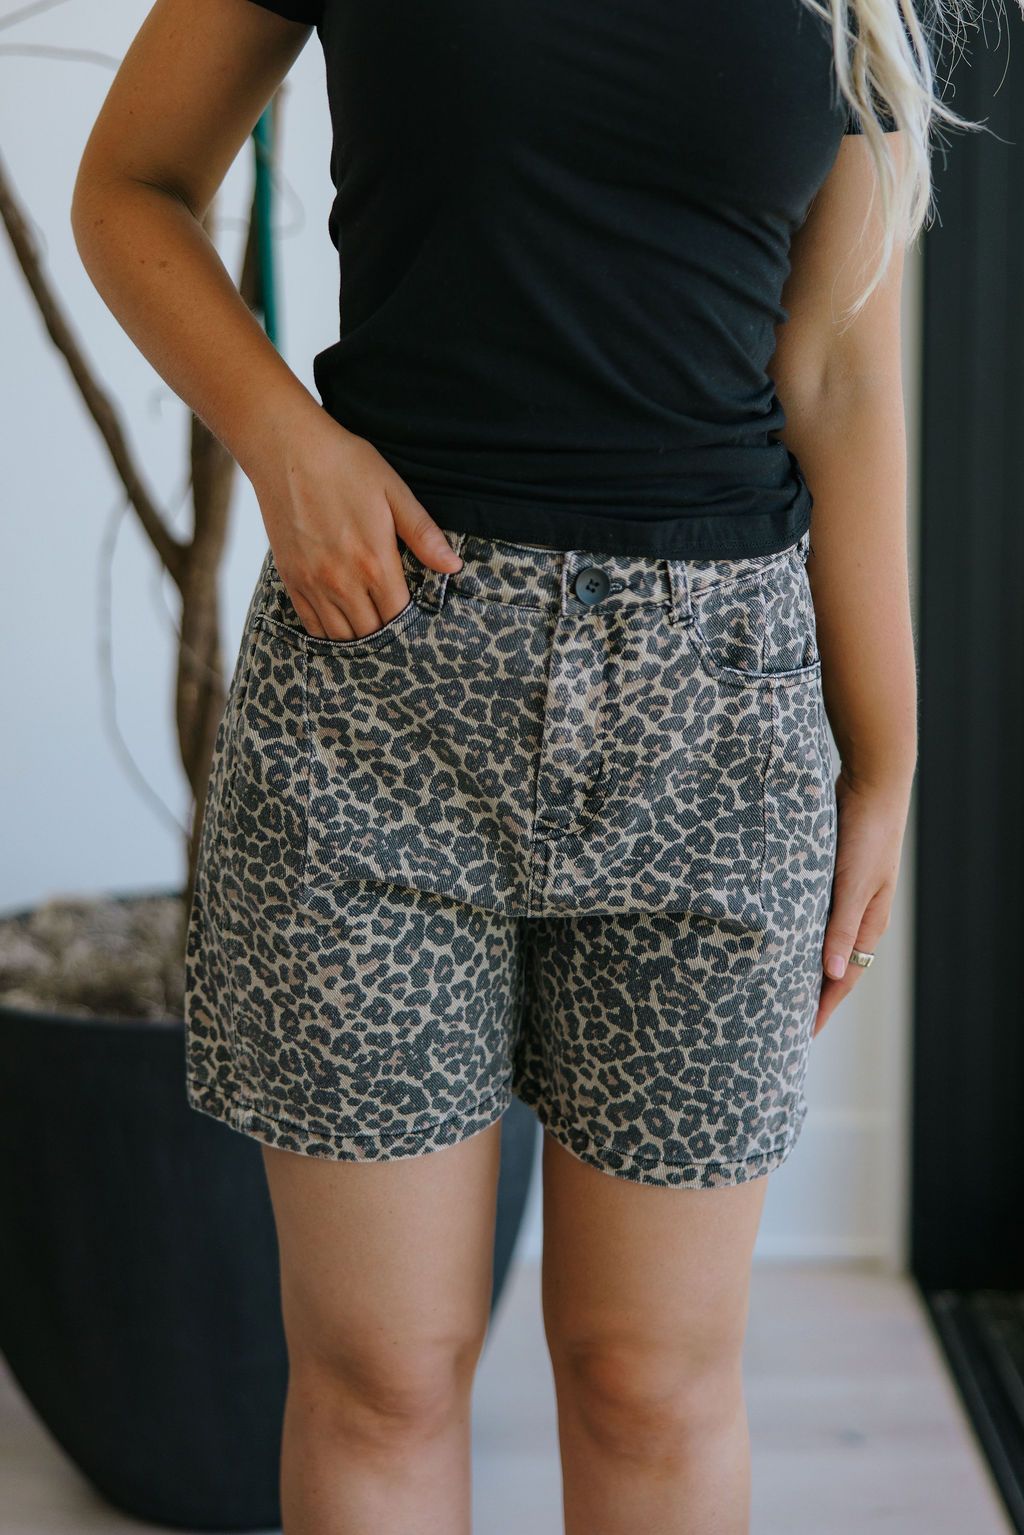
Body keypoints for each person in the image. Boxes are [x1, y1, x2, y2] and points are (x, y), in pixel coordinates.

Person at [70, 0, 977, 1529]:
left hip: (719, 731)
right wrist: (284, 441)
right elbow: (131, 184)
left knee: (652, 1384)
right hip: (379, 699)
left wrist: (885, 760)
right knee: (381, 1380)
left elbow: (838, 367)